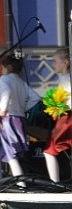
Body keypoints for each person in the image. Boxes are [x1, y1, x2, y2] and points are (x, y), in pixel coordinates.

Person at [0, 55, 38, 182]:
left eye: (3, 68)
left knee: (11, 152)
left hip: (8, 119)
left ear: (8, 68)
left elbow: (6, 92)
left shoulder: (5, 79)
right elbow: (35, 97)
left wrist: (3, 109)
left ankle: (21, 183)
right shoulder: (22, 82)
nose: (2, 71)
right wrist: (23, 108)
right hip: (19, 118)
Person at [43, 48, 71, 183]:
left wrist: (57, 107)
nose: (53, 64)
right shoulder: (65, 79)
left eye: (55, 61)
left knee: (50, 149)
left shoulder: (66, 80)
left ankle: (55, 183)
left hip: (67, 118)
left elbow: (67, 103)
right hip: (65, 116)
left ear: (65, 63)